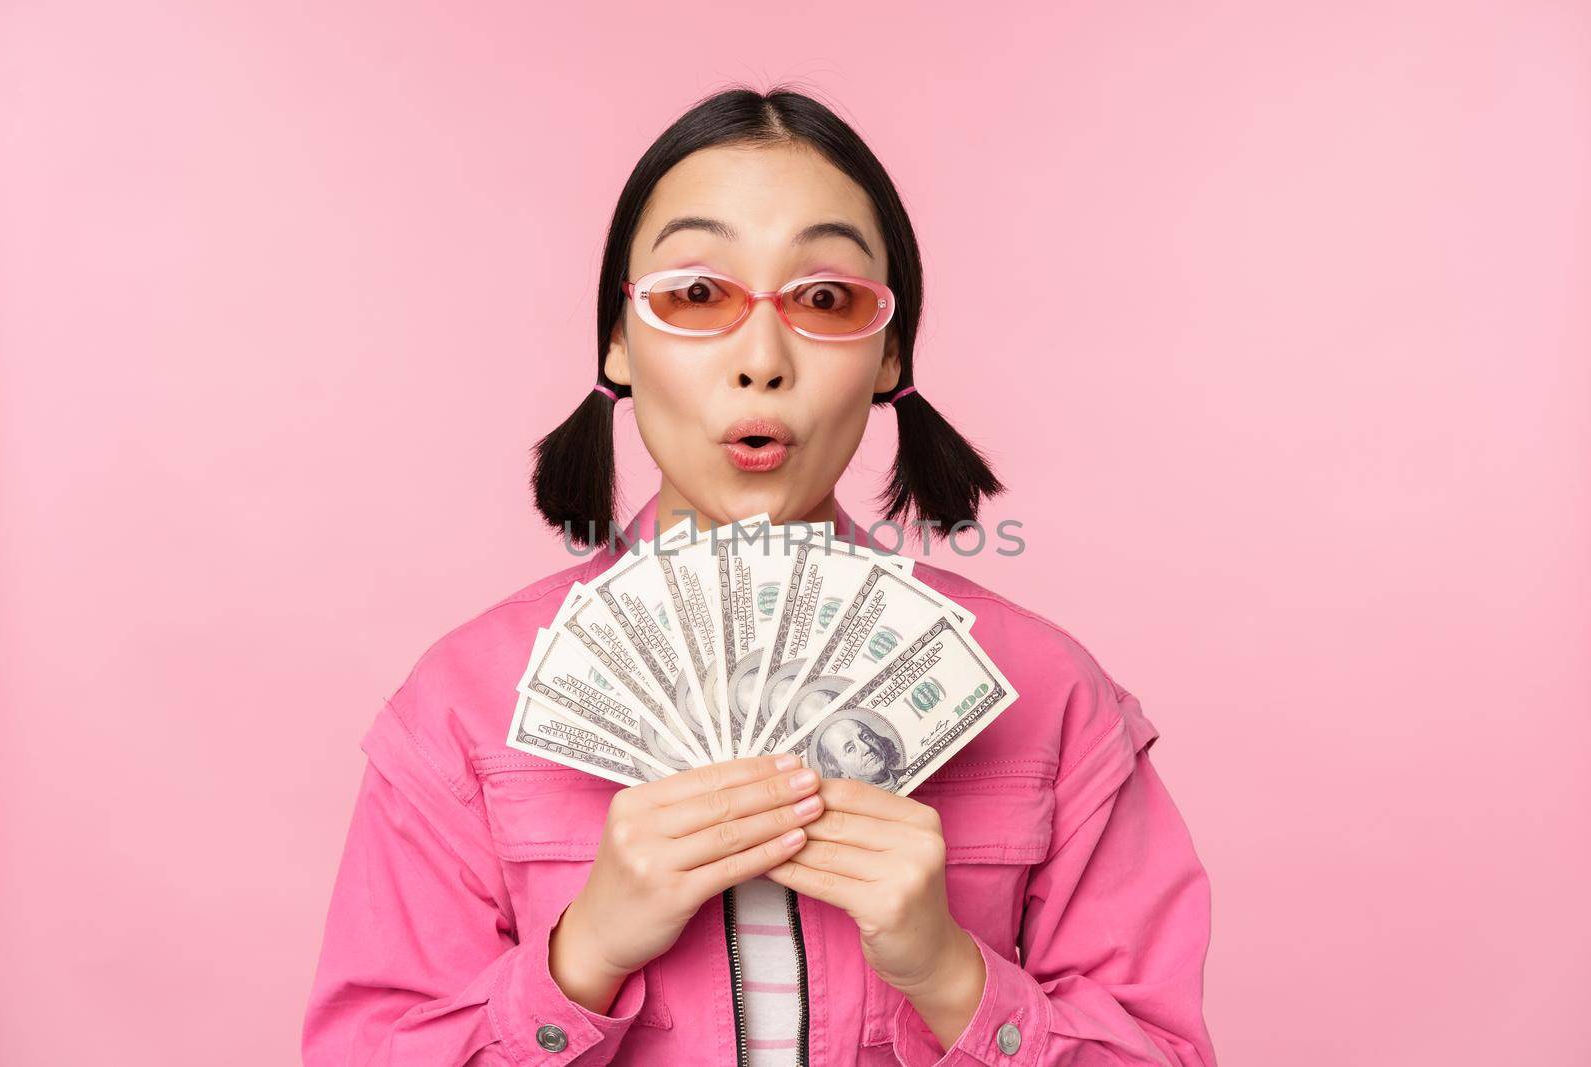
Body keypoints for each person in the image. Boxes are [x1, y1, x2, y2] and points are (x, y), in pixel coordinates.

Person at [302, 85, 1217, 1066]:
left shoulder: (1048, 695)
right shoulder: (461, 707)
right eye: (697, 294)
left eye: (825, 298)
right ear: (615, 339)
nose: (761, 359)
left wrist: (951, 976)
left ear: (887, 350)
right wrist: (581, 957)